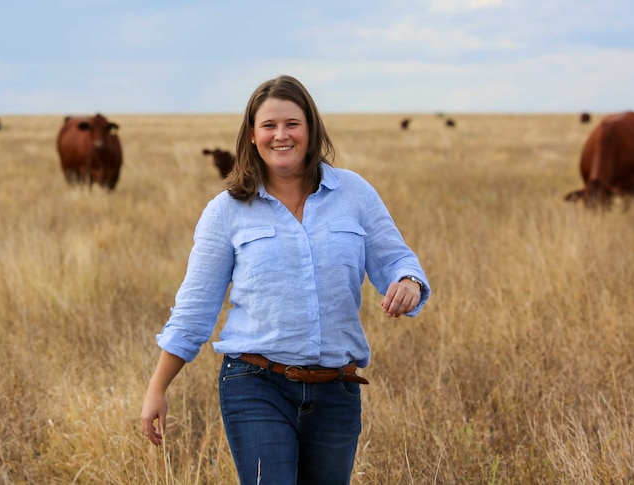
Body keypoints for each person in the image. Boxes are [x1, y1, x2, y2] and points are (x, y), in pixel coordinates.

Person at [140, 75, 431, 485]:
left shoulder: (355, 194)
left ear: (311, 130)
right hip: (255, 384)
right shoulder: (226, 211)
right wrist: (158, 389)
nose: (282, 135)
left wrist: (408, 282)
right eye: (269, 126)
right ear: (252, 136)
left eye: (292, 124)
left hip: (337, 389)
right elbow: (194, 310)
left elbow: (398, 259)